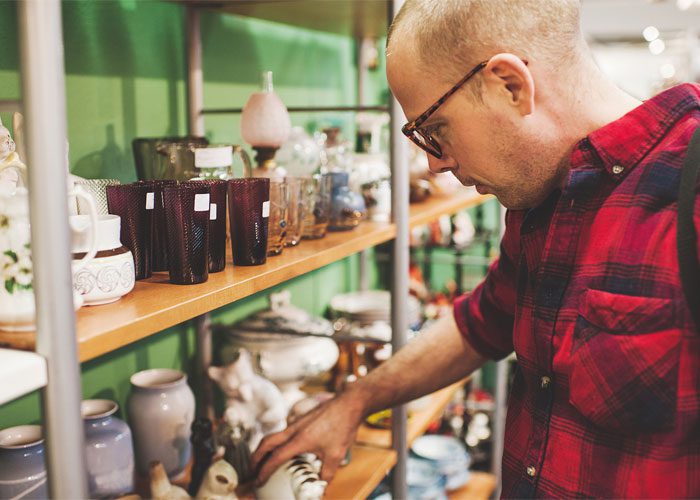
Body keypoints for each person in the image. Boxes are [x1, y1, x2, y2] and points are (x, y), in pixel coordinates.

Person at [252, 0, 700, 497]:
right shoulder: (542, 195)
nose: (434, 166)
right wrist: (354, 402)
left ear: (509, 85)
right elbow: (482, 323)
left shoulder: (689, 192)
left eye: (434, 130)